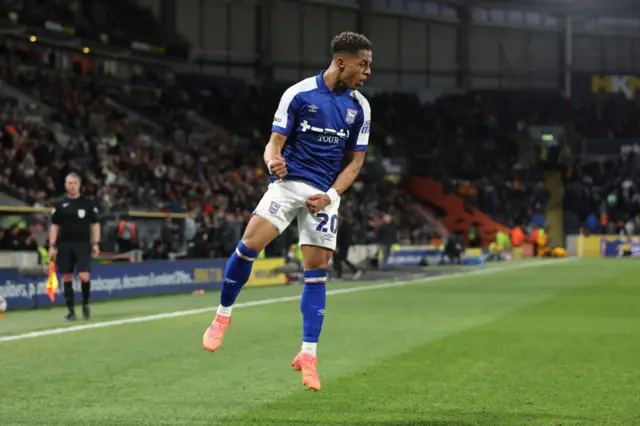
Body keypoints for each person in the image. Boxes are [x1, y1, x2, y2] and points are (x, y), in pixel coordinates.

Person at [201, 31, 372, 392]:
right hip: (289, 184)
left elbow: (355, 163)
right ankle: (222, 316)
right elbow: (274, 144)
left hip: (323, 196)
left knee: (316, 272)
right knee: (249, 245)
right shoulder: (298, 94)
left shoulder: (361, 107)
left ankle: (308, 354)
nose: (367, 72)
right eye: (363, 64)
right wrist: (271, 162)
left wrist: (331, 195)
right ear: (342, 62)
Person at [48, 173, 101, 321]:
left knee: (84, 276)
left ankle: (85, 304)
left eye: (74, 183)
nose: (72, 186)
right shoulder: (59, 204)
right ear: (65, 185)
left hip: (83, 244)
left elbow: (95, 224)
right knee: (66, 277)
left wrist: (96, 243)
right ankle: (71, 311)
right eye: (69, 183)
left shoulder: (87, 203)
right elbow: (54, 226)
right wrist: (52, 245)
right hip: (64, 245)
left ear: (79, 185)